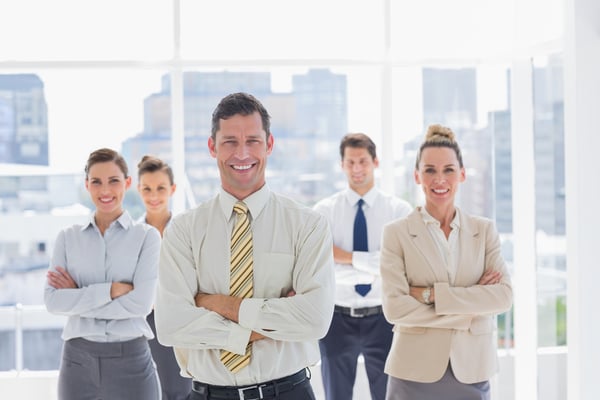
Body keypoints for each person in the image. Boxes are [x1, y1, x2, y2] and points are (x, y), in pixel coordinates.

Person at [154, 92, 335, 400]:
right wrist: (268, 325)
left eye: (252, 140)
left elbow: (314, 319)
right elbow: (171, 325)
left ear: (269, 145)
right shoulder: (184, 231)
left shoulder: (307, 225)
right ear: (212, 147)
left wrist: (218, 304)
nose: (242, 153)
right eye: (229, 142)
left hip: (288, 392)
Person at [380, 124, 513, 400]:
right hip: (412, 371)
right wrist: (471, 308)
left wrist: (430, 295)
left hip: (473, 369)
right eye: (430, 170)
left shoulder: (484, 231)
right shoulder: (396, 233)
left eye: (448, 170)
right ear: (417, 176)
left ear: (462, 174)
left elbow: (502, 297)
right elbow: (395, 308)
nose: (439, 179)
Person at [44, 148, 161, 400]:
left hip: (132, 360)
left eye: (114, 181)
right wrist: (109, 291)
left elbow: (141, 305)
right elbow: (53, 301)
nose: (105, 190)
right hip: (78, 363)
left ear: (128, 183)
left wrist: (78, 298)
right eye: (96, 182)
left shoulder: (147, 237)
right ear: (87, 185)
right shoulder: (67, 238)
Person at [313, 133, 412, 400]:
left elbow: (398, 265)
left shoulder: (398, 211)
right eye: (350, 162)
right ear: (342, 164)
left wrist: (345, 257)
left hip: (385, 318)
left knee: (389, 395)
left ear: (375, 162)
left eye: (363, 161)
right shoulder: (324, 211)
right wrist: (375, 263)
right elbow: (322, 267)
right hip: (336, 319)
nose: (357, 169)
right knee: (336, 395)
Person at [137, 155, 192, 400]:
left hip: (180, 319)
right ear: (138, 190)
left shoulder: (186, 231)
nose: (154, 195)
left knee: (179, 390)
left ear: (172, 189)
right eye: (147, 188)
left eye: (160, 188)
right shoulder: (133, 235)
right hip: (144, 321)